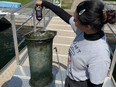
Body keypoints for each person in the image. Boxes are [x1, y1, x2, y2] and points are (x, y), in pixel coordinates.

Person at [35, 0, 116, 87]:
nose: (73, 21)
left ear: (88, 26)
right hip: (69, 79)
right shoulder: (84, 31)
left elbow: (96, 85)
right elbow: (64, 15)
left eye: (76, 20)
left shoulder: (100, 54)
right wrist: (44, 3)